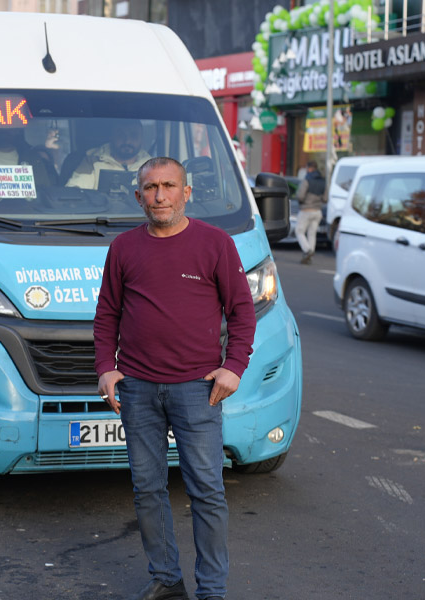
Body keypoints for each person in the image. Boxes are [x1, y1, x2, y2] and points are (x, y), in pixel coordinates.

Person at [94, 157, 256, 600]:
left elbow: (242, 311)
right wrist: (106, 367)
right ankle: (167, 578)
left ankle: (212, 591)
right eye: (150, 188)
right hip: (138, 389)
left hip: (196, 390)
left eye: (168, 186)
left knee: (206, 491)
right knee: (147, 489)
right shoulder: (124, 248)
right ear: (138, 196)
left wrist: (234, 366)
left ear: (187, 193)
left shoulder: (215, 244)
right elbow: (107, 313)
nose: (159, 195)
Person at [65, 119, 151, 189]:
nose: (127, 141)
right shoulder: (92, 161)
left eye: (134, 135)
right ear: (112, 137)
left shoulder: (152, 166)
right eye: (121, 135)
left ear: (142, 139)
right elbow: (75, 192)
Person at [294, 160, 326, 264]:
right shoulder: (323, 180)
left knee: (299, 231)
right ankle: (310, 255)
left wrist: (301, 200)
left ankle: (307, 250)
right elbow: (325, 198)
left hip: (306, 210)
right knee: (312, 234)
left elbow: (300, 195)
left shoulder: (307, 179)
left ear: (309, 168)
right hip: (317, 211)